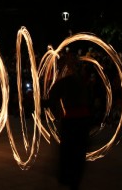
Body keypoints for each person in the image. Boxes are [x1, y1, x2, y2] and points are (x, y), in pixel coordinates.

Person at [46, 53, 93, 190]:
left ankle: (69, 179)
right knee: (78, 154)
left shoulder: (65, 82)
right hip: (83, 121)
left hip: (72, 121)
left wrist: (38, 103)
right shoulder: (82, 81)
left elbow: (51, 100)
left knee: (69, 153)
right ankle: (74, 182)